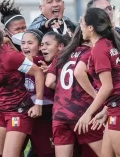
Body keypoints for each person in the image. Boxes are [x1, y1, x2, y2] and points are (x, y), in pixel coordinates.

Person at [76, 7, 120, 157]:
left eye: (82, 23)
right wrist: (105, 110)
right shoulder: (108, 43)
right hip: (119, 104)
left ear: (90, 28)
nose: (79, 26)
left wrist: (88, 114)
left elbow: (107, 86)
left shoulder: (99, 49)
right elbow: (117, 81)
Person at [0, 22, 45, 157]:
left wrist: (38, 104)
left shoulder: (9, 56)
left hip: (18, 112)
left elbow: (38, 73)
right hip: (0, 112)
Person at [45, 27, 103, 157]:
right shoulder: (92, 52)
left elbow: (49, 82)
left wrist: (65, 90)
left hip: (60, 113)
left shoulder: (62, 54)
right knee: (106, 154)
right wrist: (96, 96)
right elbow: (80, 74)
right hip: (83, 111)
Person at [21, 29, 55, 157]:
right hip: (26, 110)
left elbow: (21, 57)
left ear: (40, 46)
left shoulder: (41, 60)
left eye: (30, 43)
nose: (25, 46)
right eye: (23, 42)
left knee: (46, 152)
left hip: (46, 111)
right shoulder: (21, 62)